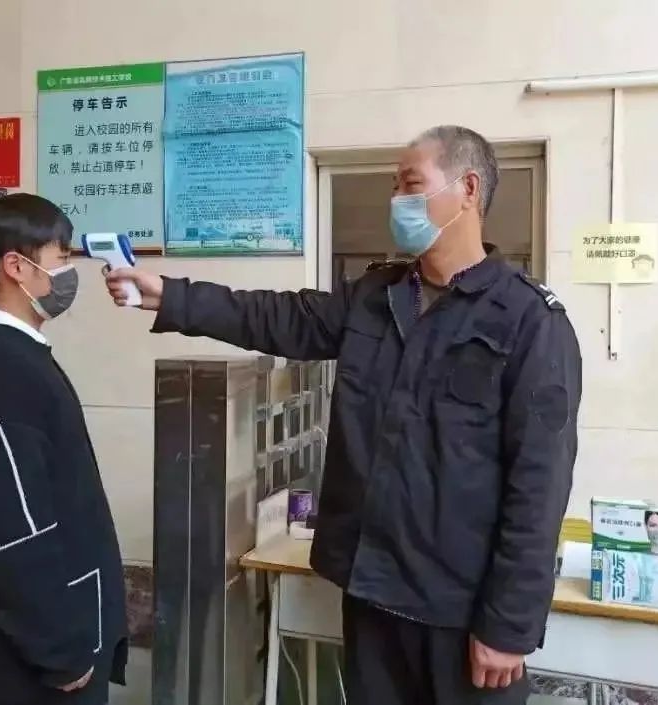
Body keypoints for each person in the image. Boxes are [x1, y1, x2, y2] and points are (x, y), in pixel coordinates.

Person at [106, 125, 582, 705]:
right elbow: (276, 317)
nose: (397, 200)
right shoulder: (377, 298)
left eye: (411, 184)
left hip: (461, 611)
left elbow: (540, 484)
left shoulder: (528, 321)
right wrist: (169, 294)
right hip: (372, 591)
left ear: (468, 189)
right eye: (394, 186)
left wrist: (508, 625)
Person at [0, 193, 128, 705]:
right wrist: (61, 654)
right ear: (16, 266)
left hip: (51, 649)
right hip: (24, 674)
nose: (69, 274)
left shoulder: (13, 356)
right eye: (61, 258)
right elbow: (13, 535)